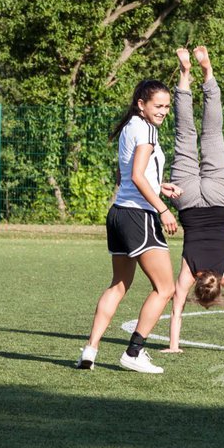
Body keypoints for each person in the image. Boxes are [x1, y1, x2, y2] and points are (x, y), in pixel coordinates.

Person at [157, 47, 224, 356]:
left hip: (218, 197)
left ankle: (208, 73)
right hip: (187, 196)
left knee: (213, 134)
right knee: (185, 133)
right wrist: (172, 345)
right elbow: (175, 308)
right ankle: (186, 74)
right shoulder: (190, 271)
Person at [76, 78, 181, 374]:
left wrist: (160, 186)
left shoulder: (131, 126)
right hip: (139, 216)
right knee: (165, 288)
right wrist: (162, 209)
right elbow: (136, 176)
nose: (163, 112)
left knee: (119, 285)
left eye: (166, 106)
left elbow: (130, 176)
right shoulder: (146, 130)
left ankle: (90, 350)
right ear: (141, 105)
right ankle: (134, 352)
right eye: (158, 106)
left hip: (119, 213)